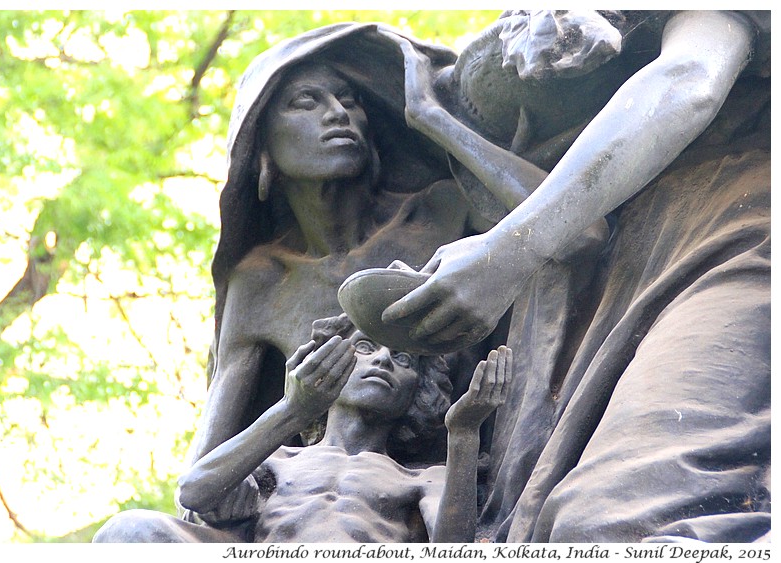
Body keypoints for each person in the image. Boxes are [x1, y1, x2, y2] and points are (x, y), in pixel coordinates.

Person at [381, 10, 770, 542]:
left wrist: (506, 253)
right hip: (637, 258)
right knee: (566, 522)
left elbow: (689, 79)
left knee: (620, 512)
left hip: (742, 231)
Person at [189, 23, 528, 469]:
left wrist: (432, 118)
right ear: (261, 148)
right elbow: (206, 463)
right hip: (312, 493)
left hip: (445, 486)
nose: (337, 113)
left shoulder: (443, 210)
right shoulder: (260, 279)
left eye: (349, 100)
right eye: (306, 102)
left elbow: (568, 219)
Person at [93, 315, 511, 543]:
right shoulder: (274, 459)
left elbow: (454, 552)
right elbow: (194, 492)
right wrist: (293, 408)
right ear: (325, 364)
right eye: (365, 348)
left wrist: (464, 436)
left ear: (419, 393)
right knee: (128, 530)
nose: (383, 360)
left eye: (403, 360)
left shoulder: (424, 477)